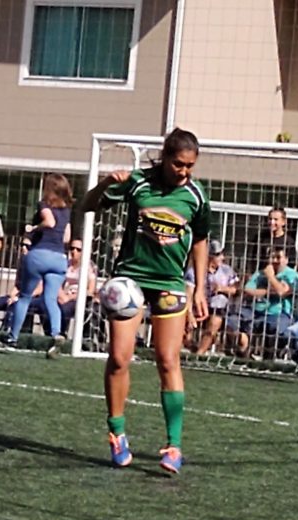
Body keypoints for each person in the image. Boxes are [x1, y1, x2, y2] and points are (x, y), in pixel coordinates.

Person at [80, 128, 210, 473]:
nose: (184, 171)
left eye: (190, 166)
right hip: (131, 282)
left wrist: (199, 286)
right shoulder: (137, 183)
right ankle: (117, 433)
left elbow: (200, 240)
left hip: (170, 283)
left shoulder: (196, 196)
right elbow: (87, 206)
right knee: (120, 358)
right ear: (165, 156)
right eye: (179, 164)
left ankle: (173, 445)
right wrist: (106, 183)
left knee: (168, 360)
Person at [5, 173, 72, 356]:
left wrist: (34, 228)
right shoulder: (67, 211)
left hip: (39, 255)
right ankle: (57, 333)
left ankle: (12, 338)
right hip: (59, 259)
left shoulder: (44, 205)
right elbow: (66, 237)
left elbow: (49, 222)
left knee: (25, 296)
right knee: (51, 299)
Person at [226, 247, 298, 358]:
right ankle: (244, 349)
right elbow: (247, 290)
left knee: (276, 326)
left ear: (286, 259)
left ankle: (271, 357)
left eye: (278, 257)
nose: (275, 260)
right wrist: (270, 291)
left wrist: (270, 277)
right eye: (272, 257)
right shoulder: (260, 273)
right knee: (232, 320)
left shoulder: (291, 275)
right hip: (255, 310)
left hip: (278, 313)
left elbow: (281, 292)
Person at [193, 239, 239, 355]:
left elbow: (235, 290)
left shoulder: (226, 270)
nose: (222, 258)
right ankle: (192, 349)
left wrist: (222, 288)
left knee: (215, 322)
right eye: (218, 255)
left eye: (221, 254)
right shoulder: (197, 270)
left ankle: (199, 353)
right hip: (198, 306)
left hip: (220, 308)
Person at [57, 238, 98, 335]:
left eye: (78, 249)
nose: (74, 251)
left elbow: (90, 291)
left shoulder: (90, 267)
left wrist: (70, 297)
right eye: (72, 248)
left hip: (79, 299)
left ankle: (64, 335)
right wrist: (61, 295)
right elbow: (58, 283)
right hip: (64, 296)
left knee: (66, 309)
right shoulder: (65, 265)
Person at [246, 206, 295, 274]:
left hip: (281, 276)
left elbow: (291, 264)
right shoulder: (260, 238)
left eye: (275, 219)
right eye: (270, 219)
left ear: (284, 222)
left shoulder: (289, 241)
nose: (272, 222)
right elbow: (252, 259)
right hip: (261, 275)